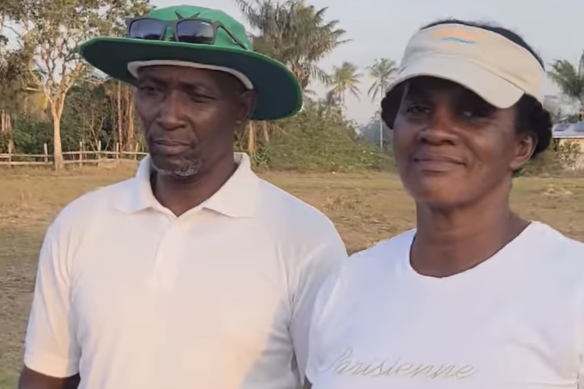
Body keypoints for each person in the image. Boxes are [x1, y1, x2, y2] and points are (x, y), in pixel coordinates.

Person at [18, 5, 347, 389]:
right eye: (152, 90)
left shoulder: (304, 240)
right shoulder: (80, 225)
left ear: (242, 110)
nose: (168, 114)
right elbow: (47, 375)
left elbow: (325, 380)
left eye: (197, 96)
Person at [304, 19, 584, 389]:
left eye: (472, 113)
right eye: (419, 109)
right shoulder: (347, 284)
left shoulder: (572, 289)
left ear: (522, 146)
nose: (436, 131)